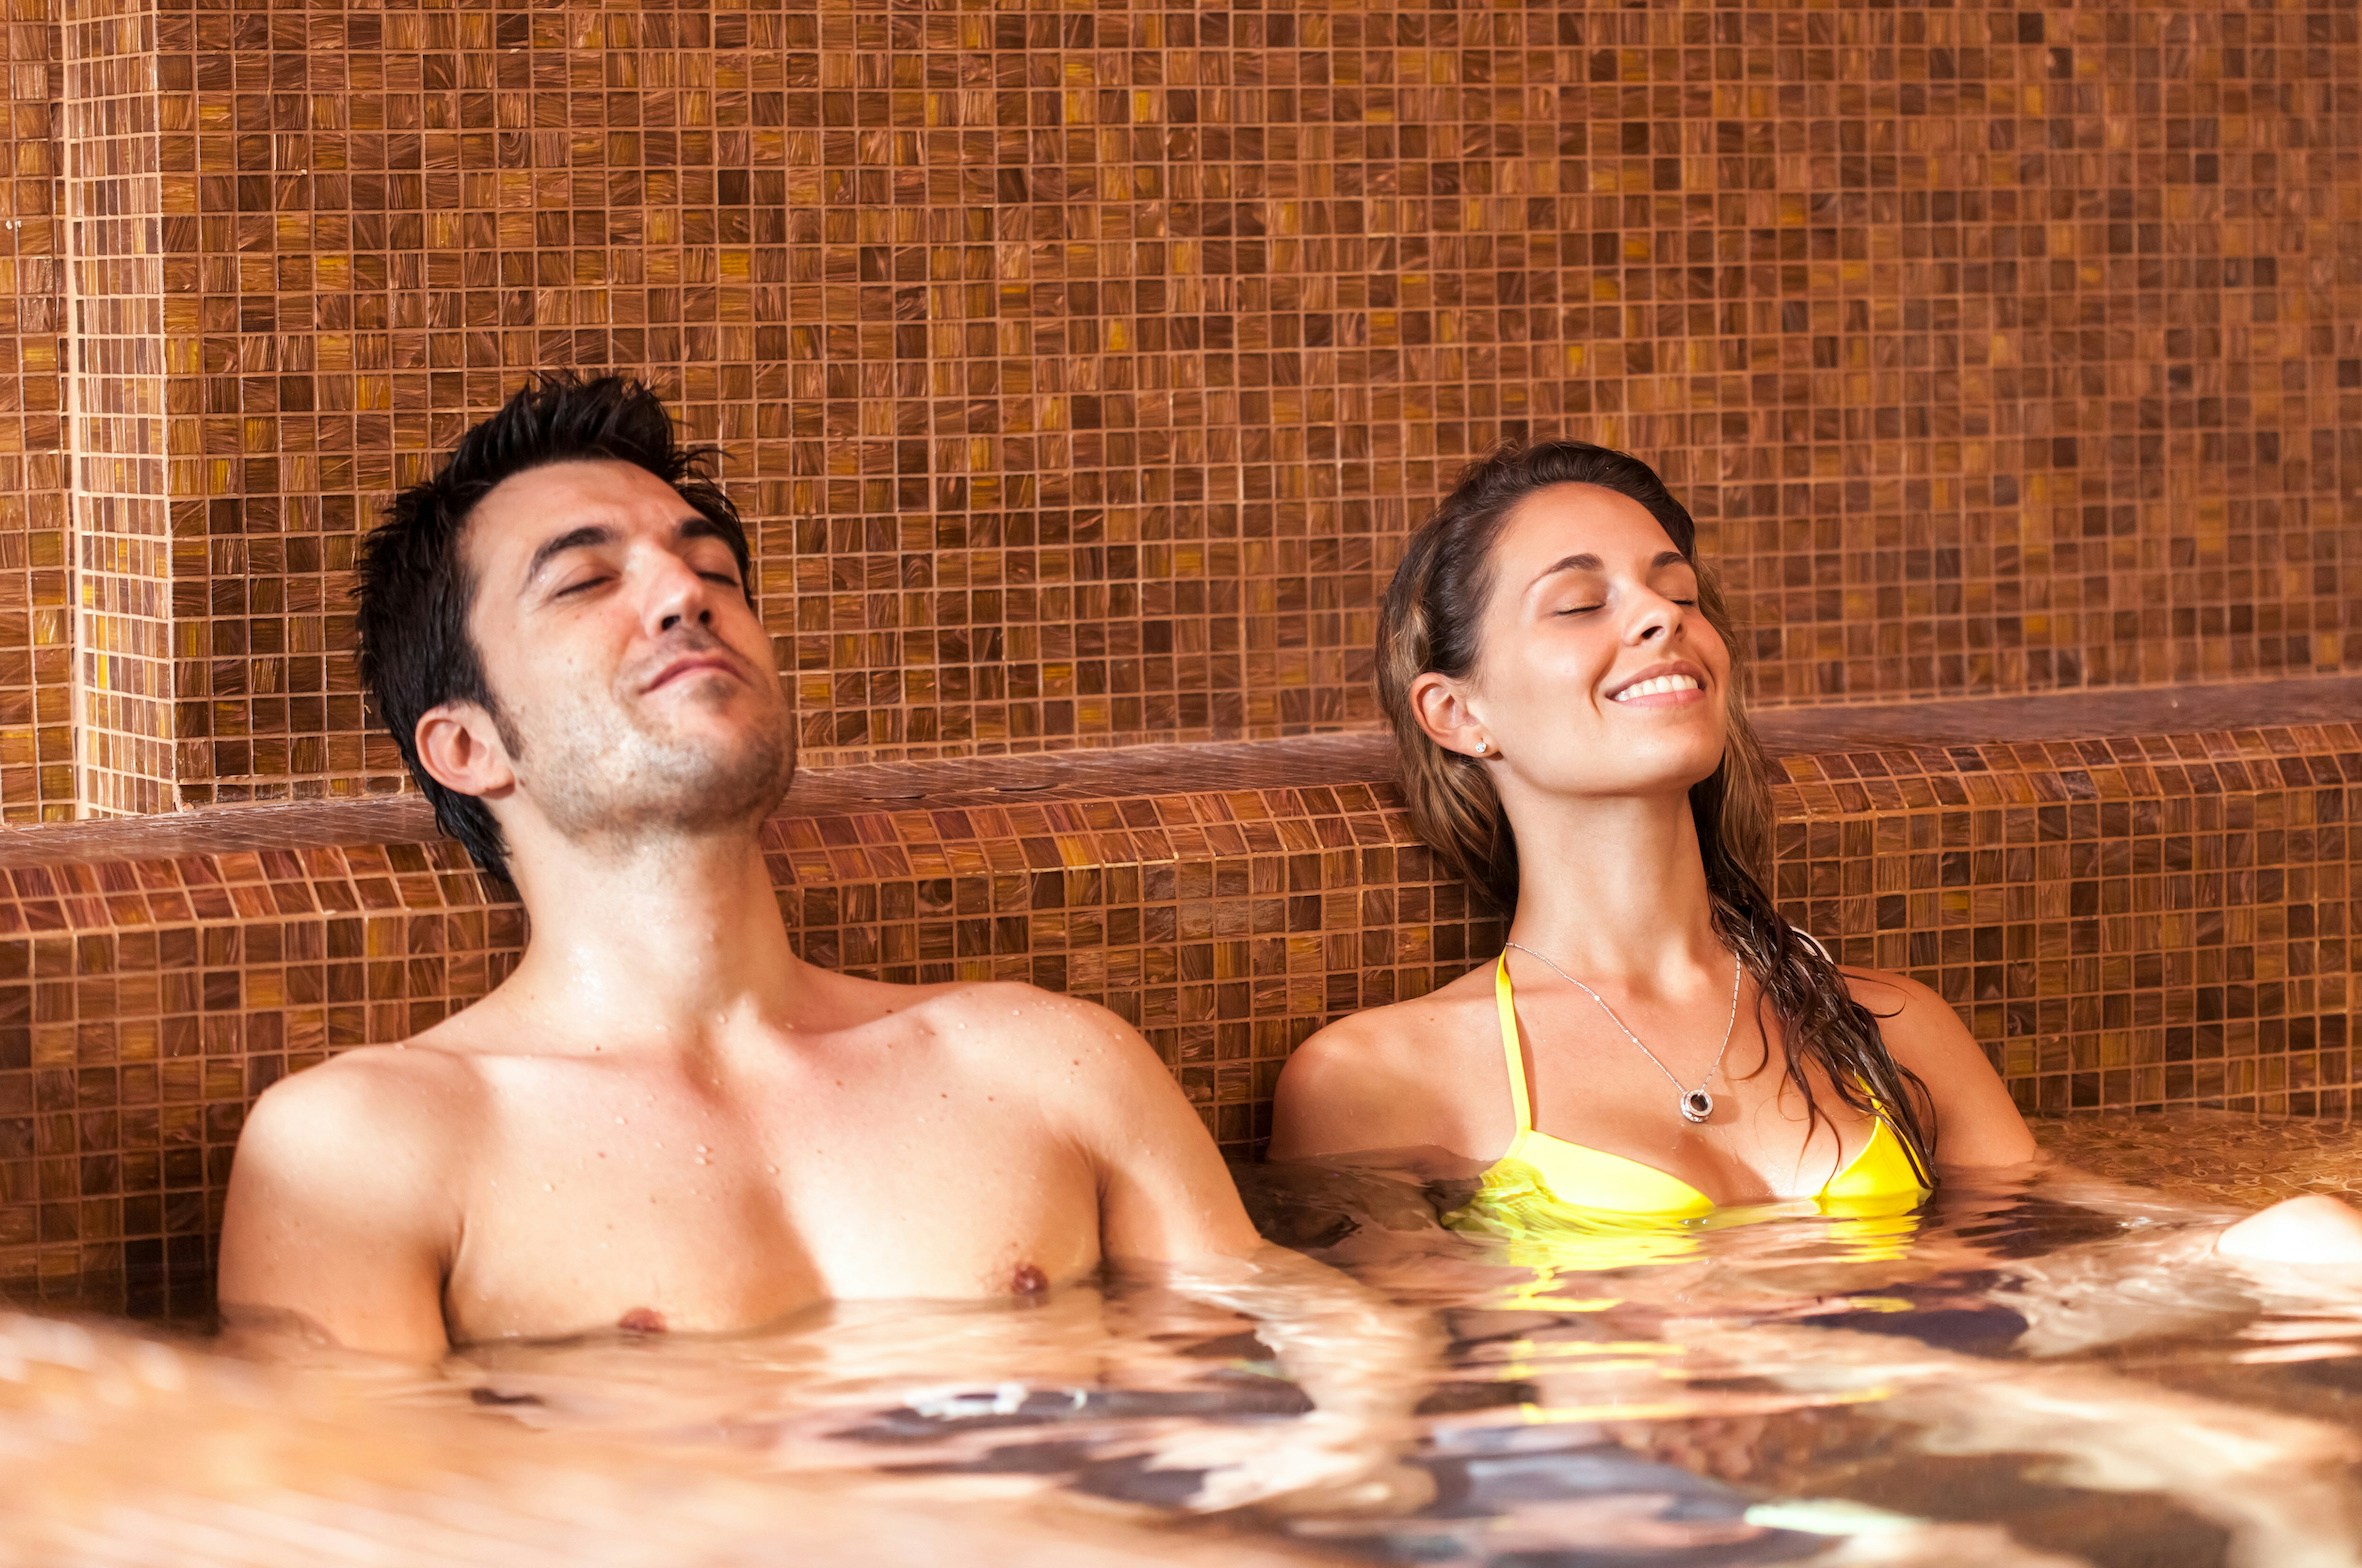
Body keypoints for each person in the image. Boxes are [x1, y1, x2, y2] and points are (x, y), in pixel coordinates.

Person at [214, 375, 1429, 1442]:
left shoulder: (1048, 1064)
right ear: (468, 744)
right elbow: (353, 1511)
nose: (684, 596)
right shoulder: (366, 1149)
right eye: (587, 578)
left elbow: (1332, 1368)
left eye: (713, 569)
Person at [1267, 439, 2362, 1266]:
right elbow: (1409, 1373)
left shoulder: (1886, 1026)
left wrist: (2275, 1237)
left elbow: (2073, 1233)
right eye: (1580, 601)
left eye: (1678, 591)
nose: (1659, 613)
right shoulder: (1380, 1078)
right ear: (1457, 713)